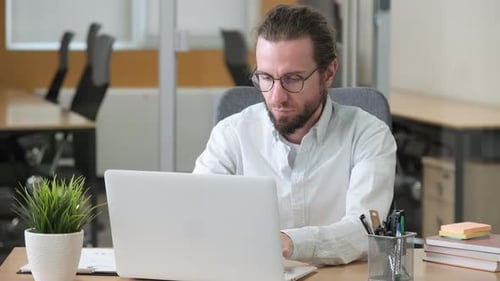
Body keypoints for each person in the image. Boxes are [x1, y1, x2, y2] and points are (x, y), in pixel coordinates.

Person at [193, 4, 396, 265]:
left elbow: (365, 230)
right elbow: (197, 212)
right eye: (265, 77)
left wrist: (290, 243)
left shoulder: (368, 135)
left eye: (293, 79)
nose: (276, 97)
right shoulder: (232, 134)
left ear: (329, 72)